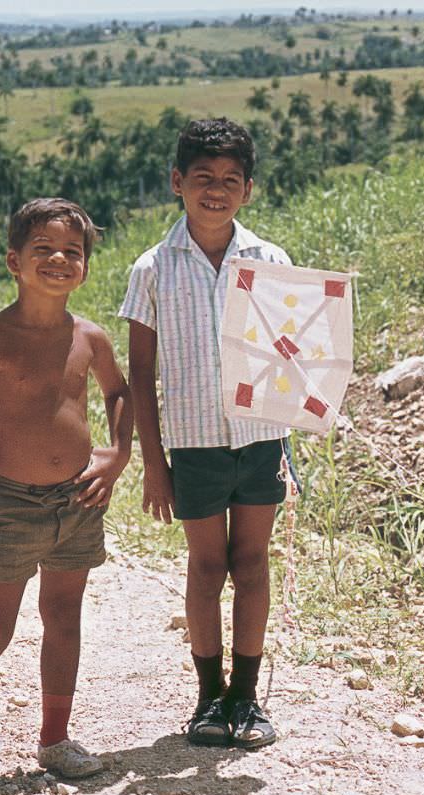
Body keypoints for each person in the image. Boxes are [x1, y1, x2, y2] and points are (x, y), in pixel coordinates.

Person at [120, 117, 295, 749]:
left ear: (247, 189)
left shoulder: (271, 261)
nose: (215, 190)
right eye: (203, 178)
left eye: (229, 180)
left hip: (260, 438)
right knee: (205, 565)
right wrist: (155, 463)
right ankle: (207, 698)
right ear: (177, 182)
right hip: (192, 443)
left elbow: (294, 353)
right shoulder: (153, 267)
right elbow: (142, 375)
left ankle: (246, 698)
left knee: (251, 562)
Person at [0, 198, 133, 778]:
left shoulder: (89, 337)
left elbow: (119, 394)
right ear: (15, 260)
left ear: (85, 264)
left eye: (73, 251)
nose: (59, 259)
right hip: (12, 505)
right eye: (43, 249)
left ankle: (55, 740)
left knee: (64, 616)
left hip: (79, 501)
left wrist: (118, 452)